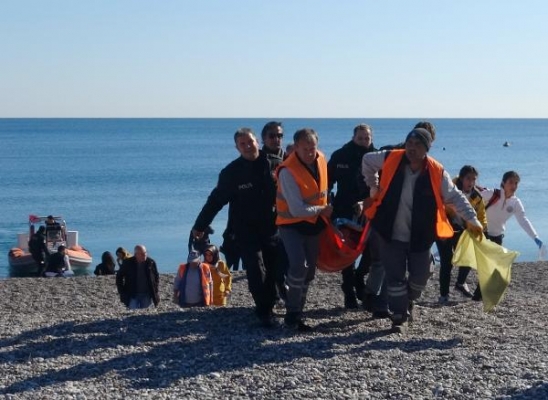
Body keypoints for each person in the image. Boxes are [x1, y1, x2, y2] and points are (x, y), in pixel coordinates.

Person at [362, 128, 483, 333]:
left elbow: (455, 197)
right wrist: (373, 187)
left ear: (426, 149)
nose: (412, 147)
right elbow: (366, 160)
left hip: (420, 235)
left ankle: (408, 301)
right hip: (388, 231)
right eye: (409, 143)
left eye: (417, 144)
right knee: (395, 277)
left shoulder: (436, 171)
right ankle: (398, 317)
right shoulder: (391, 157)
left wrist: (472, 219)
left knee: (420, 276)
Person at [192, 127, 282, 328]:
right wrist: (200, 225)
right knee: (256, 269)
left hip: (273, 227)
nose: (248, 146)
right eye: (243, 144)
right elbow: (215, 201)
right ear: (237, 147)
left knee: (274, 268)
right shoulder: (231, 172)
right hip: (245, 229)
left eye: (250, 141)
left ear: (257, 141)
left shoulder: (276, 164)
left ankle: (271, 302)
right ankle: (264, 311)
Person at [276, 128, 333, 332]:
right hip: (291, 224)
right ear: (296, 147)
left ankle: (298, 308)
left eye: (313, 147)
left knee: (309, 272)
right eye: (305, 148)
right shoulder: (287, 171)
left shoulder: (322, 160)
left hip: (314, 224)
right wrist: (322, 209)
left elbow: (325, 190)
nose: (310, 152)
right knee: (298, 266)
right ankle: (292, 314)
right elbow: (297, 208)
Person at [327, 123, 376, 309]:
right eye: (360, 138)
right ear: (353, 137)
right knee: (347, 252)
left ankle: (359, 277)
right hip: (344, 209)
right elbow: (328, 181)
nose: (364, 141)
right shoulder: (341, 155)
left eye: (367, 138)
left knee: (372, 249)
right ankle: (349, 292)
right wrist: (326, 202)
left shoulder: (376, 157)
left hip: (369, 209)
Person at [476, 171, 544, 300]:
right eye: (511, 182)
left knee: (492, 266)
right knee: (483, 264)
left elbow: (523, 220)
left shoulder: (515, 203)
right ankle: (463, 286)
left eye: (516, 183)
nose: (514, 185)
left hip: (498, 236)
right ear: (503, 183)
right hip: (483, 233)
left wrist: (535, 237)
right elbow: (469, 200)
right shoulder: (491, 194)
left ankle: (478, 295)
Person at [437, 165, 487, 304]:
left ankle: (460, 283)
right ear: (461, 178)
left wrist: (480, 229)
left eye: (473, 179)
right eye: (468, 178)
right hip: (445, 227)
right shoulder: (450, 189)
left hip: (463, 230)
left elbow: (482, 217)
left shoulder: (477, 197)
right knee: (447, 261)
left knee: (469, 254)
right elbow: (438, 205)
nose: (471, 182)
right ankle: (444, 295)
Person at [116, 244, 160, 309]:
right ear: (136, 254)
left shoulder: (151, 262)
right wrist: (122, 291)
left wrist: (155, 288)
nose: (144, 255)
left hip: (147, 294)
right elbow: (119, 277)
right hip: (132, 294)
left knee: (144, 315)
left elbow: (156, 276)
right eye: (142, 254)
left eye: (145, 253)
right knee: (133, 312)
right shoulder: (128, 263)